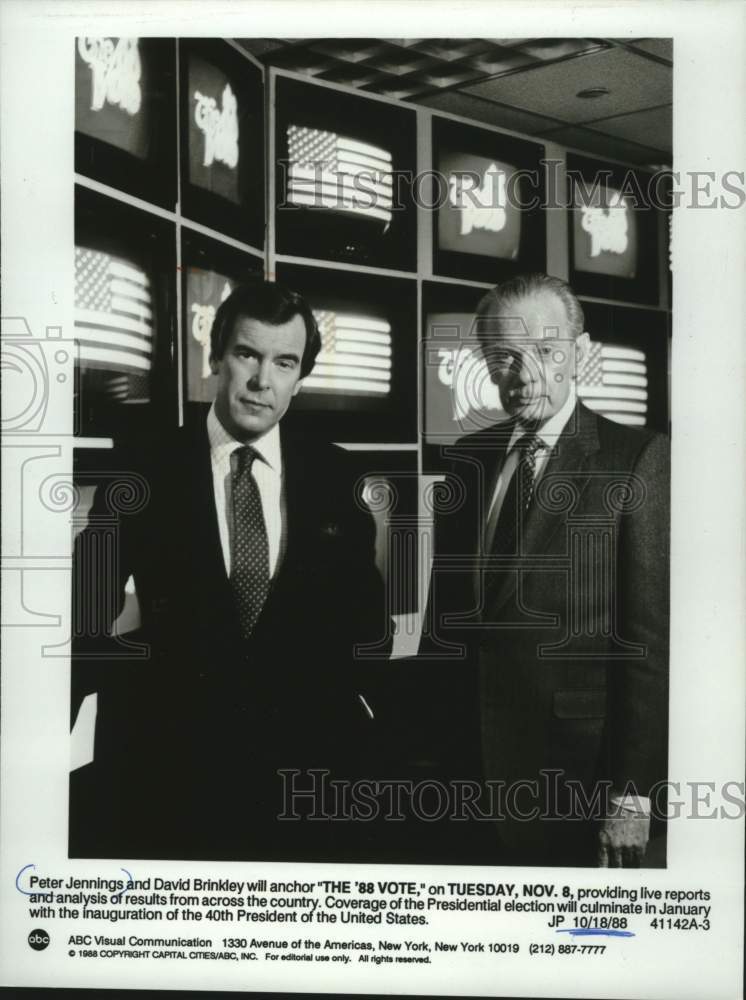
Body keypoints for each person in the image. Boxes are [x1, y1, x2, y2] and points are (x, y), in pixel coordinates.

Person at [70, 278, 391, 861]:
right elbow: (83, 605)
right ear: (216, 356)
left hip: (305, 781)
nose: (261, 380)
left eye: (284, 362)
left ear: (300, 376)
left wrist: (355, 726)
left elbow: (367, 625)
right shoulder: (144, 466)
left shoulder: (335, 475)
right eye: (247, 354)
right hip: (169, 776)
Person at [423, 273, 669, 867]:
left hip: (575, 775)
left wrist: (632, 794)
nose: (525, 373)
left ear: (579, 355)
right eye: (505, 356)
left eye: (546, 351)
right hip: (463, 771)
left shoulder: (636, 459)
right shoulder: (468, 458)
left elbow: (649, 643)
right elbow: (445, 618)